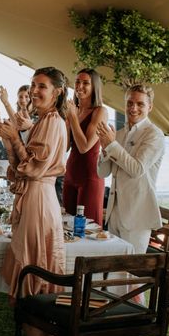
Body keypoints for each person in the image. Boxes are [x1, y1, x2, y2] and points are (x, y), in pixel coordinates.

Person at [0, 67, 67, 336]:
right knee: (41, 278)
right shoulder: (45, 122)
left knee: (30, 280)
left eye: (42, 87)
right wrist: (11, 140)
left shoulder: (52, 123)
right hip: (39, 200)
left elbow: (32, 169)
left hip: (38, 204)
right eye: (33, 85)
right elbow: (23, 165)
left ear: (58, 92)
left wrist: (11, 138)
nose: (35, 91)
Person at [96, 84, 165, 336]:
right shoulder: (120, 133)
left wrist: (112, 144)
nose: (133, 108)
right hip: (114, 211)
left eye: (139, 103)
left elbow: (136, 170)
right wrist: (103, 148)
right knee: (113, 273)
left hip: (137, 215)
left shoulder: (155, 135)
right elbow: (103, 171)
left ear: (150, 106)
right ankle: (114, 325)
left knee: (134, 276)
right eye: (130, 103)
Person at [63, 69, 107, 226]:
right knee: (67, 225)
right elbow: (66, 147)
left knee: (89, 228)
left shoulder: (100, 111)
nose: (79, 86)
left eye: (85, 83)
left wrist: (73, 118)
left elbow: (84, 147)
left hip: (90, 177)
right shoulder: (74, 110)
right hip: (70, 173)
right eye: (77, 82)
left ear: (94, 87)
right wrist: (68, 121)